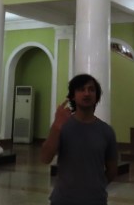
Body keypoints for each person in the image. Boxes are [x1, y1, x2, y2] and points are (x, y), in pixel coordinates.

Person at [41, 73, 118, 205]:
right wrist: (56, 126)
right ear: (73, 96)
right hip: (63, 200)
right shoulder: (62, 126)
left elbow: (112, 170)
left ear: (96, 96)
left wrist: (96, 186)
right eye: (81, 89)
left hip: (95, 200)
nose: (86, 93)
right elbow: (45, 158)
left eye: (91, 89)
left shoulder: (106, 131)